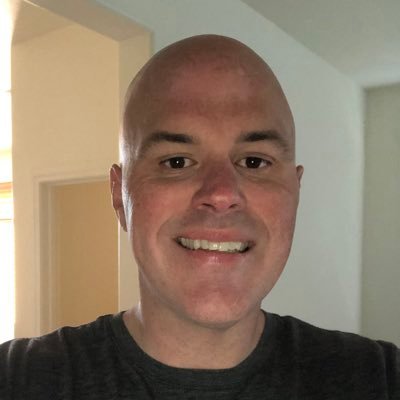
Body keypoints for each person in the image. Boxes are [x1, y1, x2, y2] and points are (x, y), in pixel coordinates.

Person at [0, 34, 399, 399]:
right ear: (119, 196)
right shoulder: (17, 379)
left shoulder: (379, 378)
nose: (221, 194)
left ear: (295, 193)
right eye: (176, 161)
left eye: (254, 161)